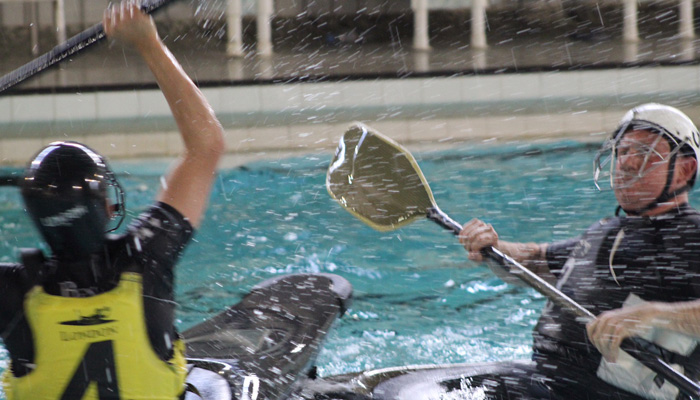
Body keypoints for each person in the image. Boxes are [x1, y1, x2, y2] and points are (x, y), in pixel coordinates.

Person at [0, 1, 224, 398]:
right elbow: (205, 147)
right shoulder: (147, 258)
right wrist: (148, 44)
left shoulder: (10, 292)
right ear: (106, 207)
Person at [459, 103, 700, 400]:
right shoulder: (607, 231)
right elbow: (536, 261)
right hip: (551, 382)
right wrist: (493, 248)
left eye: (645, 152)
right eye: (622, 152)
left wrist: (653, 315)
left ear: (684, 170)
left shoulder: (693, 234)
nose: (625, 163)